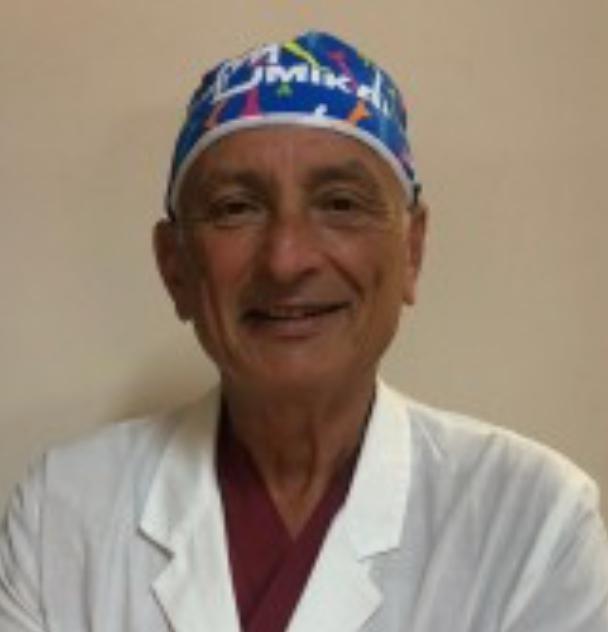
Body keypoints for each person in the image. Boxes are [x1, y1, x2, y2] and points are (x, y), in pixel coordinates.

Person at [1, 30, 607, 632]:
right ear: (175, 267)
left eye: (341, 204)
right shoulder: (63, 512)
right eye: (236, 208)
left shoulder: (532, 522)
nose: (286, 260)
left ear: (412, 251)